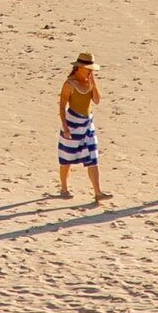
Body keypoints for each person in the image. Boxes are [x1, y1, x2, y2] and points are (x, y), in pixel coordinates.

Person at [54, 55, 105, 203]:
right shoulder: (69, 84)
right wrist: (65, 127)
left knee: (93, 157)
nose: (90, 72)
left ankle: (98, 192)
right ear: (79, 68)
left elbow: (96, 100)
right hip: (73, 123)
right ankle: (64, 188)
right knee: (67, 158)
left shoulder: (89, 82)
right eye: (88, 70)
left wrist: (93, 82)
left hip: (88, 124)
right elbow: (62, 105)